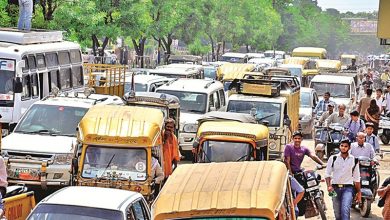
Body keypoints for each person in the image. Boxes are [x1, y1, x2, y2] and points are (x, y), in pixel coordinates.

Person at [325, 139, 361, 220]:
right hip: (334, 188)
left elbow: (356, 178)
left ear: (349, 147)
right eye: (342, 146)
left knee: (345, 210)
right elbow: (327, 174)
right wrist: (329, 186)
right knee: (337, 213)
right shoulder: (333, 158)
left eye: (345, 146)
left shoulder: (354, 160)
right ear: (339, 146)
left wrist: (359, 192)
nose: (343, 148)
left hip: (348, 188)